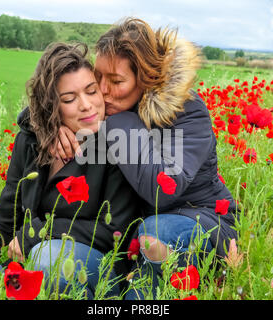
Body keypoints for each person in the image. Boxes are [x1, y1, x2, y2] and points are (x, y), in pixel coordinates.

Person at [50, 18, 240, 300]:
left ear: (147, 79)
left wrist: (120, 123)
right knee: (61, 262)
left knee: (155, 233)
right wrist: (56, 125)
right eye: (98, 77)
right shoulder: (108, 107)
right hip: (125, 233)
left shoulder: (187, 113)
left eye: (116, 81)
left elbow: (163, 188)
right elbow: (44, 111)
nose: (102, 90)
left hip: (198, 220)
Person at [0, 42, 141, 299]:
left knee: (47, 259)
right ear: (51, 105)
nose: (87, 105)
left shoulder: (117, 145)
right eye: (69, 99)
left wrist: (40, 232)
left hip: (100, 269)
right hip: (34, 259)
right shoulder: (31, 141)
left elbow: (115, 232)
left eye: (91, 91)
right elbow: (7, 213)